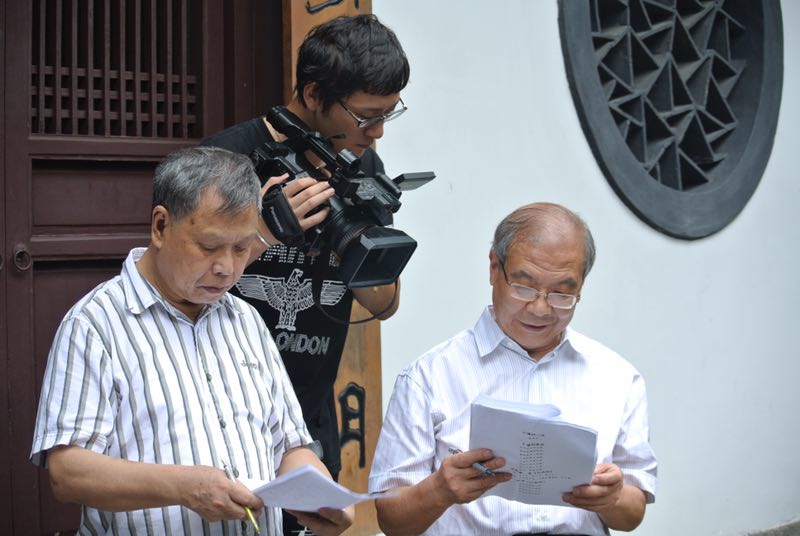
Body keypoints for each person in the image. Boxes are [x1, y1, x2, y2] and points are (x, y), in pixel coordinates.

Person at [30, 146, 354, 536]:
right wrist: (183, 487)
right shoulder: (96, 324)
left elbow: (289, 446)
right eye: (209, 247)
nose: (227, 268)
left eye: (241, 248)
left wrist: (323, 498)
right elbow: (68, 473)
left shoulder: (245, 320)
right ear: (161, 226)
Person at [201, 15, 409, 533]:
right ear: (314, 94)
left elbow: (385, 304)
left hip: (311, 426)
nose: (378, 132)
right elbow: (181, 285)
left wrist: (356, 233)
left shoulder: (361, 167)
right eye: (366, 117)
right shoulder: (225, 161)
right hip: (220, 424)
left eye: (388, 115)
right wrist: (265, 230)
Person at [368, 203, 657, 535]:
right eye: (524, 287)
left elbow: (632, 514)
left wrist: (612, 497)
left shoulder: (617, 378)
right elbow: (391, 520)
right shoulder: (428, 377)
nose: (540, 308)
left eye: (562, 294)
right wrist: (440, 490)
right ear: (494, 267)